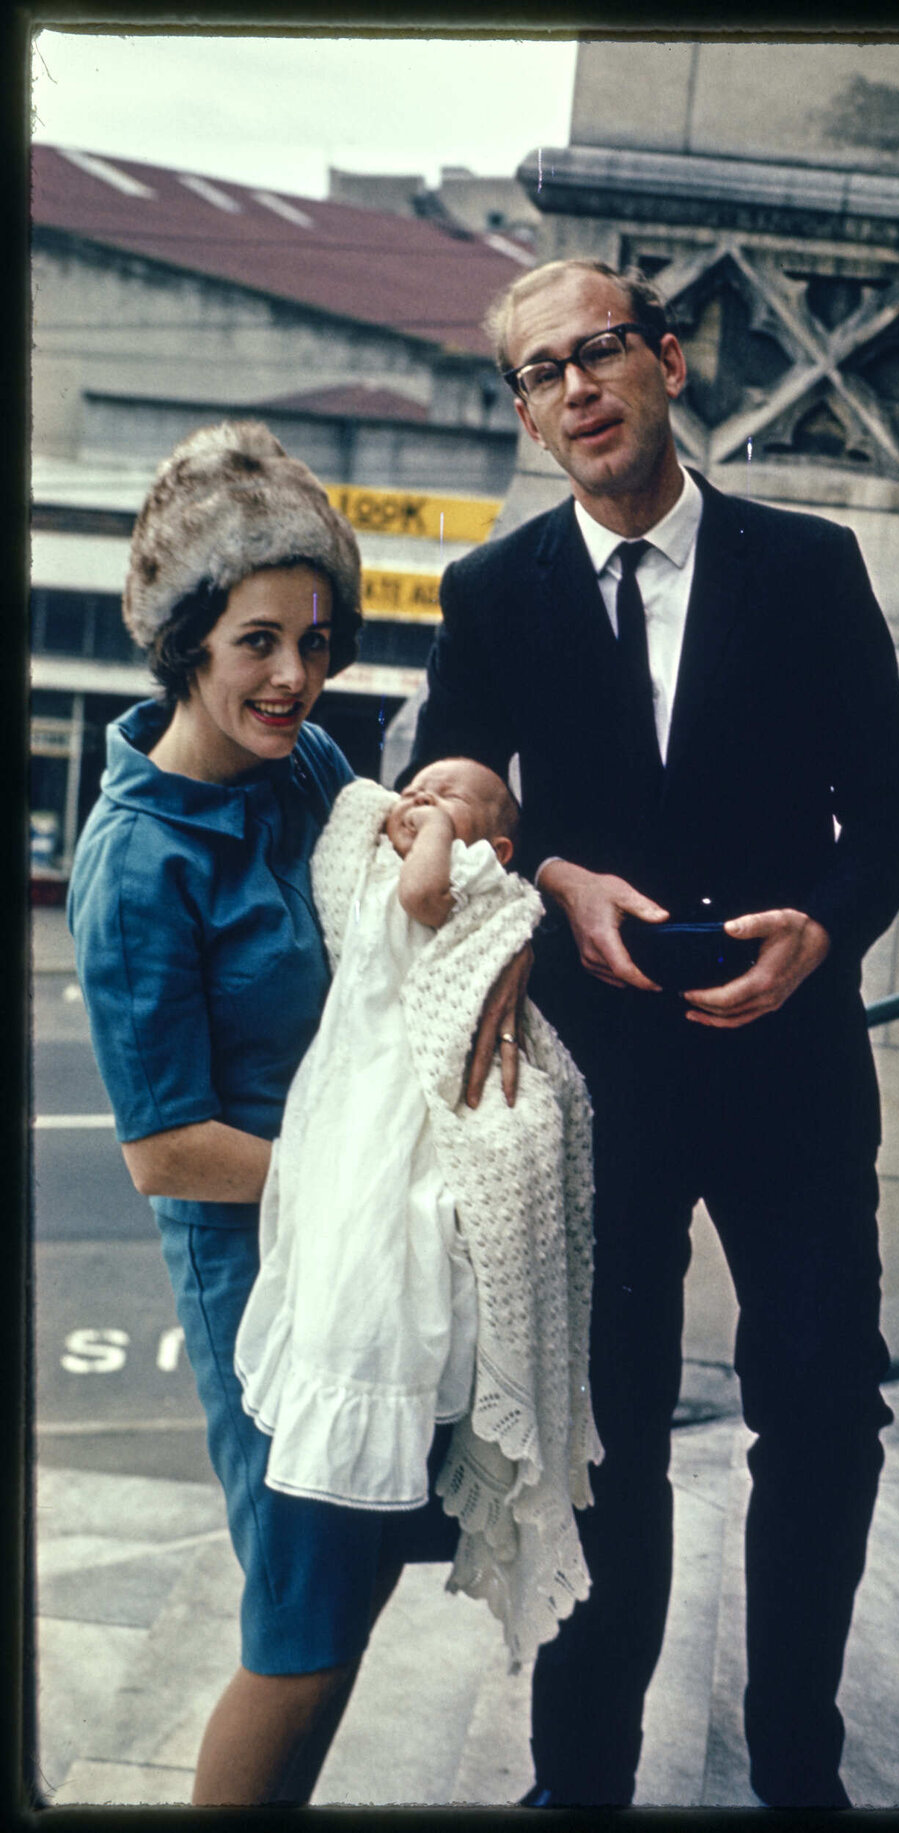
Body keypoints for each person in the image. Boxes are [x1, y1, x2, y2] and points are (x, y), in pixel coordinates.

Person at [400, 258, 899, 1809]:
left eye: (598, 354)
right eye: (536, 373)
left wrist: (822, 930)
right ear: (521, 407)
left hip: (792, 1063)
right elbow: (455, 789)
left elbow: (895, 807)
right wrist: (550, 868)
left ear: (669, 363)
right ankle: (582, 1782)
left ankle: (795, 1766)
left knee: (825, 1415)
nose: (572, 389)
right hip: (598, 1080)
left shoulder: (808, 565)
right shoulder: (490, 592)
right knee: (606, 1437)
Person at [67, 422, 455, 1806]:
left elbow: (393, 847)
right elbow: (166, 1148)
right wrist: (366, 1181)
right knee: (294, 1629)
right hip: (260, 1270)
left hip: (348, 1246)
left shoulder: (295, 772)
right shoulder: (134, 863)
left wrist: (444, 824)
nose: (298, 676)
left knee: (340, 1605)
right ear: (186, 644)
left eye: (318, 637)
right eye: (256, 642)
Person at [234, 757, 600, 1664]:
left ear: (495, 842)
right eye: (417, 783)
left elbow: (428, 900)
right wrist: (394, 816)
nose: (421, 798)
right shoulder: (370, 843)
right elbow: (349, 840)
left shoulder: (476, 878)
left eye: (453, 796)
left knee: (411, 1237)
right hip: (347, 1076)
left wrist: (431, 834)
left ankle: (398, 1444)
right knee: (346, 1262)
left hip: (406, 1084)